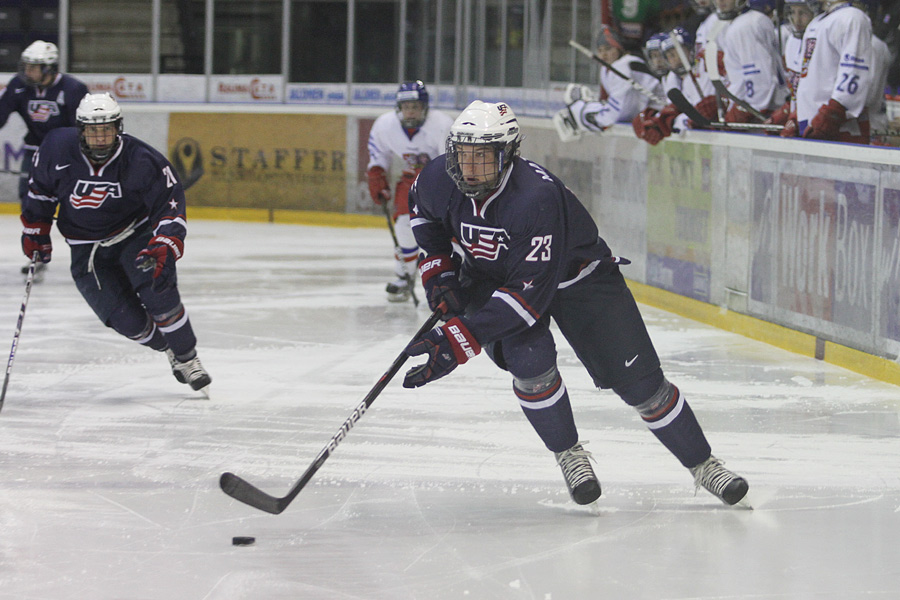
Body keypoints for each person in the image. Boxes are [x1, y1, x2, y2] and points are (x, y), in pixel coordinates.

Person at [403, 100, 749, 508]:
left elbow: (527, 297)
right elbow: (424, 219)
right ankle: (569, 454)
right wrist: (439, 275)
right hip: (493, 280)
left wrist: (463, 338)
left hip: (577, 279)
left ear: (509, 154)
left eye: (483, 156)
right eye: (464, 154)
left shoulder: (536, 197)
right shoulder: (436, 179)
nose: (470, 167)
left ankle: (704, 464)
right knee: (530, 361)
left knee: (641, 385)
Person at [20, 93, 212, 395]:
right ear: (81, 129)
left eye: (107, 129)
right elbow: (40, 192)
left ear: (118, 128)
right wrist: (35, 232)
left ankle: (188, 359)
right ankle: (169, 349)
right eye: (93, 130)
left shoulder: (143, 160)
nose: (100, 137)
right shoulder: (56, 148)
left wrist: (165, 242)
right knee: (126, 321)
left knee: (160, 294)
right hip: (86, 250)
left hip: (135, 237)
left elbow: (169, 205)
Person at [0, 40, 89, 278]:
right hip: (34, 149)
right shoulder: (19, 86)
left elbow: (83, 129)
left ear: (49, 68)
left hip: (69, 154)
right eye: (26, 66)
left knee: (79, 202)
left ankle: (92, 250)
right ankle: (37, 250)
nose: (27, 72)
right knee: (30, 201)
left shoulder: (74, 89)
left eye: (33, 67)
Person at [366, 80, 453, 303]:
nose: (410, 111)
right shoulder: (385, 125)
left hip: (439, 182)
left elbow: (450, 161)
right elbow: (379, 155)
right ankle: (404, 276)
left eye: (415, 106)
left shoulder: (443, 124)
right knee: (404, 226)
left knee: (446, 232)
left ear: (424, 107)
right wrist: (377, 176)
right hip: (409, 181)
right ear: (399, 108)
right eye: (406, 107)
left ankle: (451, 277)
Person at [561, 25, 665, 137]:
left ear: (619, 48)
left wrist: (594, 119)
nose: (603, 55)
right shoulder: (607, 69)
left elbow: (618, 113)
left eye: (608, 49)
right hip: (646, 113)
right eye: (600, 50)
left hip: (660, 111)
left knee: (582, 110)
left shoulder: (623, 66)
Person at [795, 0, 874, 142]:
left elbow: (855, 71)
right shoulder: (817, 21)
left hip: (840, 127)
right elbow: (807, 76)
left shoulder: (852, 17)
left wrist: (834, 112)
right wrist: (796, 112)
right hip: (811, 122)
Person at [710, 0, 788, 124]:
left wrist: (745, 111)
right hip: (766, 106)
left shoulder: (744, 26)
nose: (720, 1)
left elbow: (759, 79)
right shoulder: (751, 20)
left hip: (760, 113)